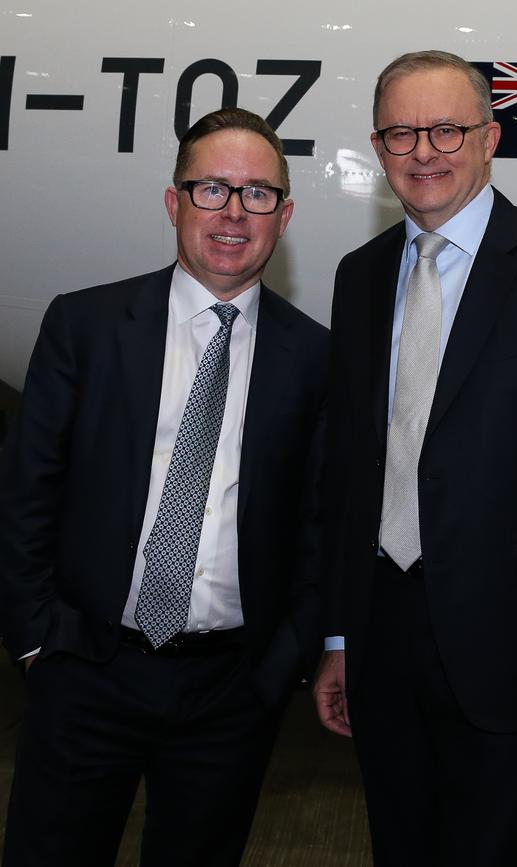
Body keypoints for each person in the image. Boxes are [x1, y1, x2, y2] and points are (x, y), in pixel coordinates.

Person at [313, 50, 517, 867]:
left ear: (491, 137)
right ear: (378, 146)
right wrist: (337, 633)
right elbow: (350, 476)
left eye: (447, 129)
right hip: (381, 645)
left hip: (512, 658)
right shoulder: (357, 277)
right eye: (401, 133)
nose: (423, 151)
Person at [0, 106, 327, 867]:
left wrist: (279, 665)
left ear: (285, 215)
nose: (233, 213)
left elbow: (320, 526)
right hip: (84, 667)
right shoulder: (84, 325)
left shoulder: (316, 358)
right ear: (173, 202)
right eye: (211, 189)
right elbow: (25, 495)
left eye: (256, 194)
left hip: (230, 692)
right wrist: (37, 638)